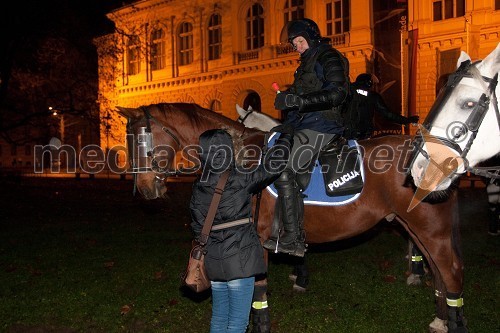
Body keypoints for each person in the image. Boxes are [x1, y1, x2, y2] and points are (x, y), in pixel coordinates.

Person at [190, 128, 292, 333]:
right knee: (237, 323)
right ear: (228, 150)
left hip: (214, 263)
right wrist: (286, 139)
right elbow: (273, 166)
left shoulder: (198, 186)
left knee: (219, 319)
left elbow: (196, 225)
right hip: (241, 260)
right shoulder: (240, 179)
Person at [262, 18, 350, 257]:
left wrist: (299, 101)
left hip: (324, 126)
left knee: (283, 170)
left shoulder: (328, 57)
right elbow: (303, 98)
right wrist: (288, 102)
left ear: (311, 37)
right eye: (294, 44)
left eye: (300, 41)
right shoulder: (305, 64)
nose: (297, 47)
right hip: (306, 124)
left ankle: (293, 238)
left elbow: (338, 92)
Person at [346, 73, 419, 139]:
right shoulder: (372, 96)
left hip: (345, 134)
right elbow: (387, 114)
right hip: (362, 135)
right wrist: (407, 120)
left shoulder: (348, 92)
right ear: (369, 83)